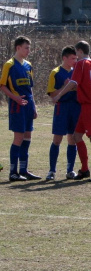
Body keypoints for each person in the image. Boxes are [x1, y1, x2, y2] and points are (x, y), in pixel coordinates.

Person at [52, 40, 91, 182]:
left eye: (76, 52)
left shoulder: (81, 64)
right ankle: (85, 169)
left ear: (79, 51)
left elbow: (74, 82)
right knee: (76, 136)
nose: (76, 55)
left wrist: (59, 95)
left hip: (89, 105)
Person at [1, 36, 40, 181]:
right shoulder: (9, 65)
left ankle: (24, 170)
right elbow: (2, 85)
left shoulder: (28, 65)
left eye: (29, 48)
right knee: (18, 137)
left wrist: (34, 106)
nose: (28, 51)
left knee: (28, 137)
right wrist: (15, 97)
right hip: (17, 105)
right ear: (18, 48)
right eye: (26, 48)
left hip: (28, 105)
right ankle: (13, 172)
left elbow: (30, 88)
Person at [46, 46, 80, 180]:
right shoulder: (56, 72)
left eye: (76, 58)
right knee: (57, 139)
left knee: (73, 139)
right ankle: (52, 171)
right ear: (64, 58)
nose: (74, 61)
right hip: (62, 108)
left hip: (75, 108)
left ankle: (70, 170)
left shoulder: (77, 71)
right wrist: (64, 87)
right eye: (72, 58)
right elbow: (52, 94)